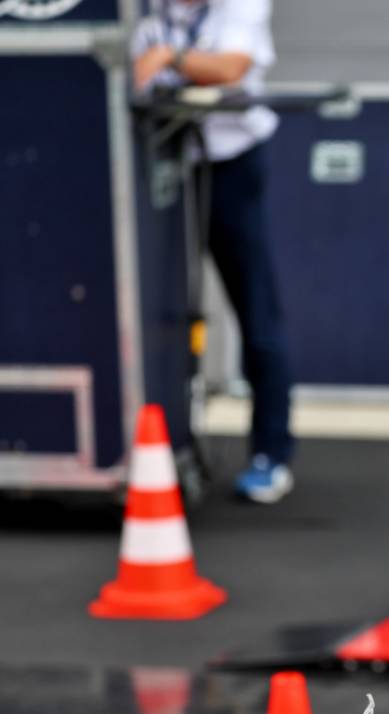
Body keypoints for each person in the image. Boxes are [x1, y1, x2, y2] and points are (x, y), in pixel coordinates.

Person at [131, 0, 294, 503]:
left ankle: (271, 455)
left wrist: (171, 59)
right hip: (159, 160)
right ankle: (165, 446)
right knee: (158, 310)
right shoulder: (141, 10)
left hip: (230, 169)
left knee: (257, 311)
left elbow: (230, 69)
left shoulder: (240, 6)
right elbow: (126, 74)